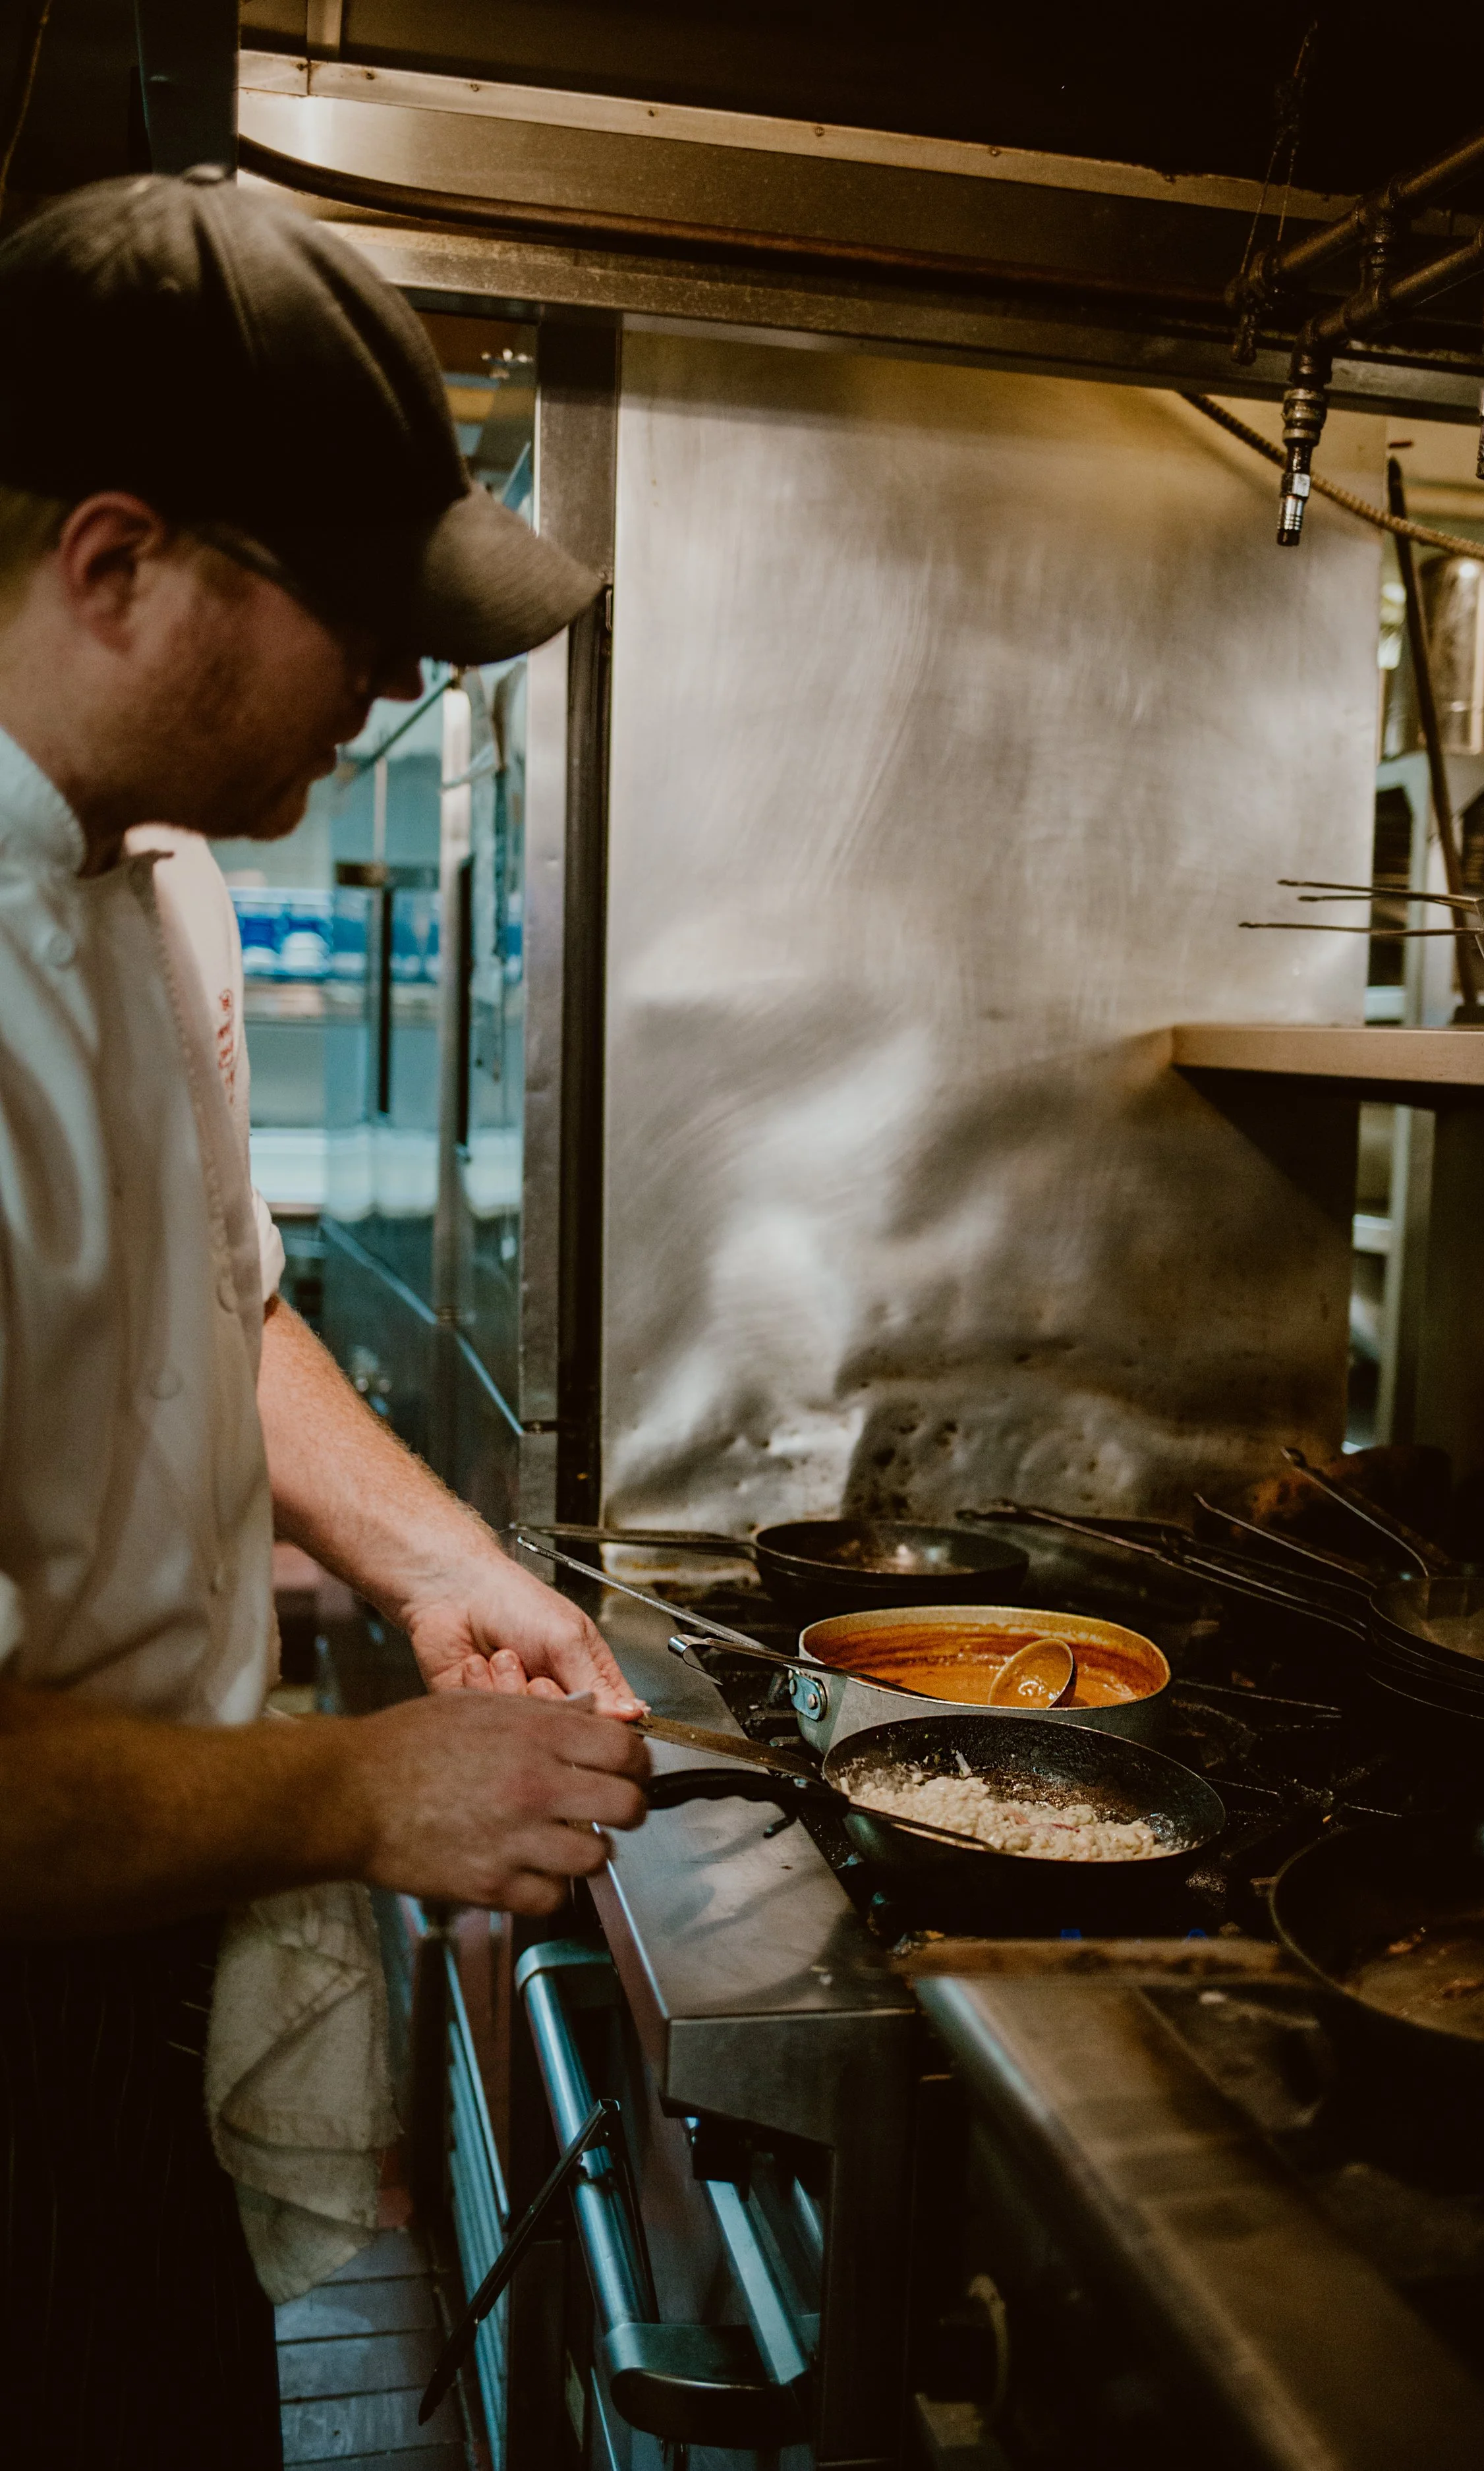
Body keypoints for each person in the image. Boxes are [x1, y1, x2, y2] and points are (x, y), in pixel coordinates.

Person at [0, 169, 648, 2466]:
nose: (401, 682)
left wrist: (436, 1557)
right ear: (115, 565)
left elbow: (220, 1299)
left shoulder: (157, 872)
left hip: (139, 1970)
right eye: (360, 617)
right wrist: (361, 1786)